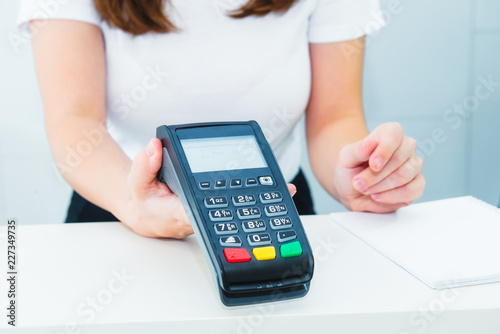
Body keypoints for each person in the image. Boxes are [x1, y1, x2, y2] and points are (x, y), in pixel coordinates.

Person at [18, 0, 425, 239]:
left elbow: (335, 117)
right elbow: (75, 121)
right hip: (117, 208)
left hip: (275, 208)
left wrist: (356, 175)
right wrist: (133, 203)